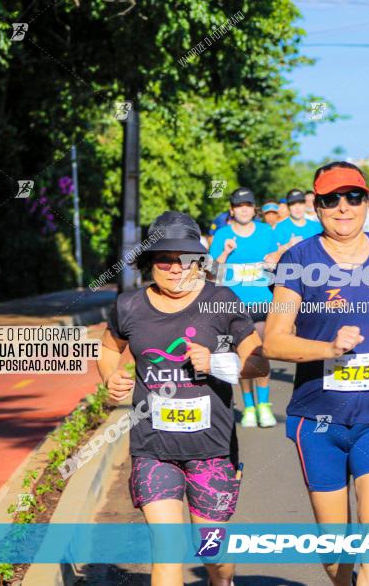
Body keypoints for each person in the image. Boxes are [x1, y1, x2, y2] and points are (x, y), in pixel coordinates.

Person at [264, 161, 369, 586]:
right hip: (318, 417)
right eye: (331, 199)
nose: (344, 207)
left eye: (353, 197)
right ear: (316, 206)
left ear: (367, 203)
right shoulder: (298, 260)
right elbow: (275, 341)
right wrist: (329, 349)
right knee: (334, 549)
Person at [99, 211, 269, 586]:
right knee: (167, 552)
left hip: (213, 450)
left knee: (214, 554)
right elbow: (109, 349)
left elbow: (259, 363)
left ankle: (221, 581)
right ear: (150, 262)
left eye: (187, 259)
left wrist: (218, 361)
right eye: (166, 260)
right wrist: (110, 376)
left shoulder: (221, 300)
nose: (177, 269)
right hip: (152, 448)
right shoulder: (129, 306)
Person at [209, 187, 280, 428]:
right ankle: (248, 406)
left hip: (262, 302)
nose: (244, 209)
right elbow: (212, 273)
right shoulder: (222, 235)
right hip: (234, 305)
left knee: (260, 353)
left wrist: (274, 260)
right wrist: (226, 253)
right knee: (241, 357)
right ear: (232, 210)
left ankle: (264, 405)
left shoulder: (265, 231)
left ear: (254, 209)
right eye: (239, 206)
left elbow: (276, 258)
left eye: (248, 205)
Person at [273, 189, 323, 253]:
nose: (297, 208)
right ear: (288, 207)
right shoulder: (279, 228)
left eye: (300, 203)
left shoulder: (317, 226)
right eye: (293, 204)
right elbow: (271, 255)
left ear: (305, 205)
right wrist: (287, 246)